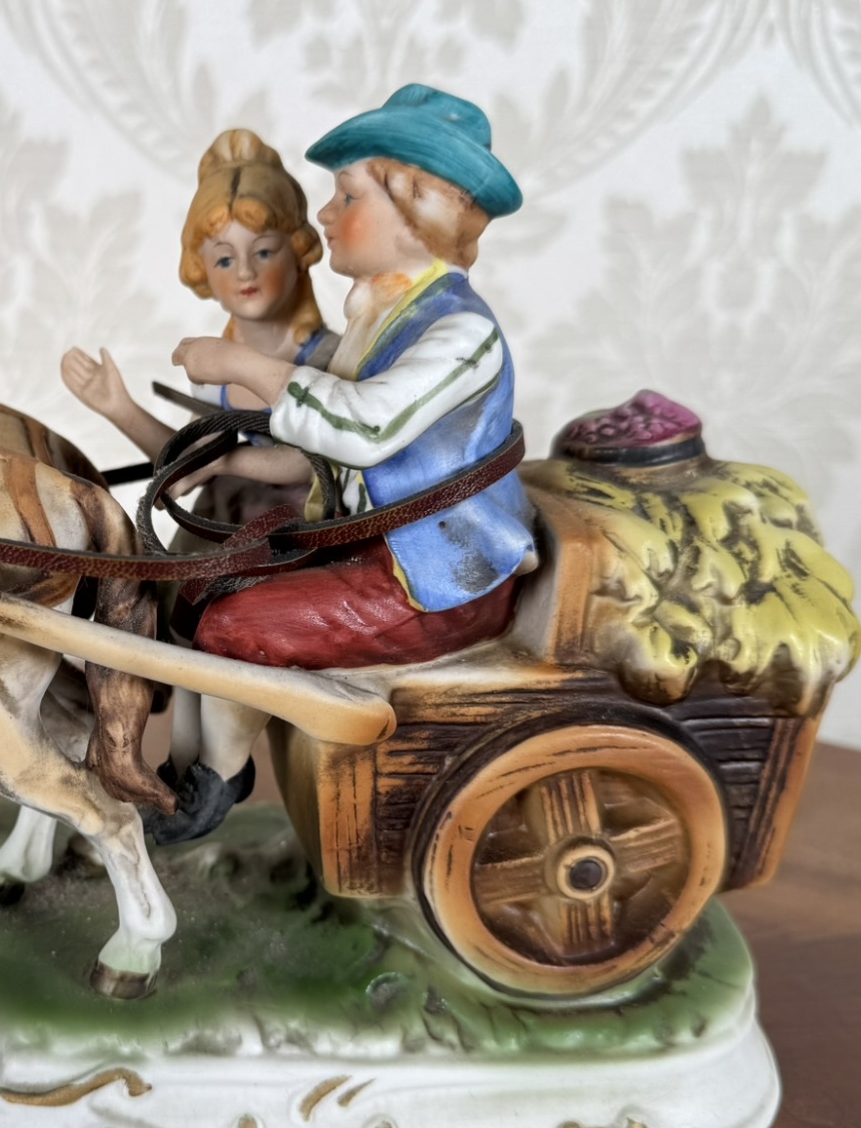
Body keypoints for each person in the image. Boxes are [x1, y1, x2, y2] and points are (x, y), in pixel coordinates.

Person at [164, 85, 539, 836]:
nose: (327, 216)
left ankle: (217, 779)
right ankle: (187, 762)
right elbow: (327, 459)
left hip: (432, 579)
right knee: (199, 582)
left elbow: (363, 427)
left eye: (346, 197)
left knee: (233, 626)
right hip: (371, 545)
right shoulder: (381, 314)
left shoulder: (460, 332)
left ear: (417, 212)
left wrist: (243, 364)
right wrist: (230, 466)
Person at [61, 128, 338, 839]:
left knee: (217, 630)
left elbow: (313, 461)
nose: (245, 272)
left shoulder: (324, 358)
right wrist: (118, 407)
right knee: (170, 626)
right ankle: (184, 766)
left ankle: (216, 770)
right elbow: (186, 460)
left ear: (298, 252)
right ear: (201, 269)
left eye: (263, 251)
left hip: (294, 532)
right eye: (224, 258)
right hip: (215, 528)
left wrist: (226, 463)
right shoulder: (220, 359)